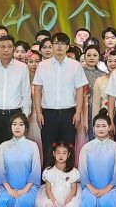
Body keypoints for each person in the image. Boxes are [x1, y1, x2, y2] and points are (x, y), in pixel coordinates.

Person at [32, 35, 87, 167]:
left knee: (68, 147)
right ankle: (48, 177)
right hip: (48, 114)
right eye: (56, 43)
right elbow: (37, 90)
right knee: (48, 148)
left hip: (69, 114)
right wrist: (38, 112)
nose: (59, 46)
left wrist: (78, 113)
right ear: (52, 46)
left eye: (62, 43)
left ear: (67, 47)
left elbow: (80, 91)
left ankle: (68, 176)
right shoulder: (43, 65)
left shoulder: (75, 65)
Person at [77, 112, 116, 207]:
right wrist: (92, 189)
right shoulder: (86, 147)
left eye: (104, 126)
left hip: (111, 189)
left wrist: (106, 190)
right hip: (90, 189)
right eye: (98, 126)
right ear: (93, 128)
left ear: (109, 127)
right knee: (89, 203)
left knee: (108, 203)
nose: (101, 129)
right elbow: (83, 172)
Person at [0, 114, 42, 207]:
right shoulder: (4, 145)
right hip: (7, 188)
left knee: (21, 204)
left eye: (21, 124)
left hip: (28, 188)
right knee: (4, 203)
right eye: (14, 124)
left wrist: (24, 190)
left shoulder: (32, 146)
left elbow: (36, 171)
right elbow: (0, 171)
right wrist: (9, 190)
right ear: (11, 127)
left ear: (26, 128)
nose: (17, 127)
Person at [35, 142, 82, 207]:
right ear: (54, 154)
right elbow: (48, 189)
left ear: (68, 155)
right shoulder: (49, 171)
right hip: (53, 197)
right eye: (58, 153)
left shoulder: (73, 171)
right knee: (48, 206)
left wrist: (67, 200)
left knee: (72, 206)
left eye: (64, 153)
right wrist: (54, 201)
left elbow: (73, 189)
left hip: (68, 196)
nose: (61, 156)